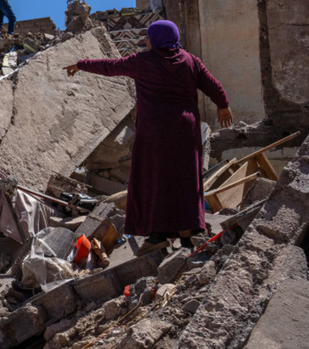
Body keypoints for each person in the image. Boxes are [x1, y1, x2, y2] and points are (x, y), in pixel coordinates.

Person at [63, 20, 233, 253]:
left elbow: (111, 66)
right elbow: (214, 86)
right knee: (185, 180)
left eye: (149, 37)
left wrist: (81, 65)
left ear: (156, 38)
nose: (146, 41)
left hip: (155, 133)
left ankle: (158, 234)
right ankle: (187, 233)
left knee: (155, 180)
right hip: (185, 130)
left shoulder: (143, 62)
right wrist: (223, 107)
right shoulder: (190, 61)